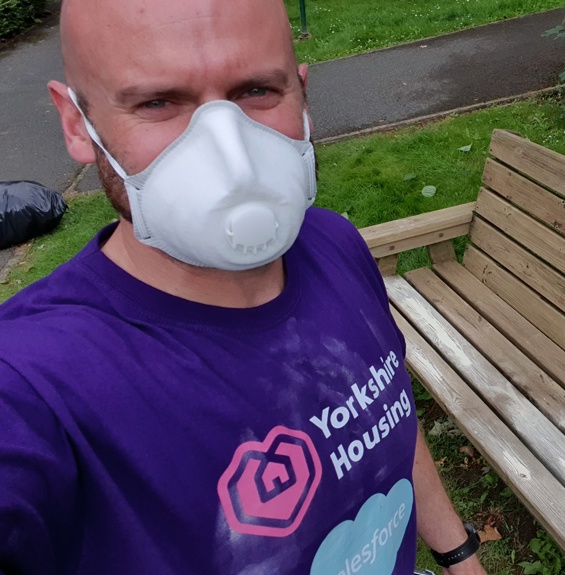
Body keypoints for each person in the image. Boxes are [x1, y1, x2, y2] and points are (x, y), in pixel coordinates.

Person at [0, 1, 487, 573]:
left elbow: (387, 414)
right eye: (158, 102)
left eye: (257, 91)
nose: (229, 152)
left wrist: (459, 554)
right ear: (77, 124)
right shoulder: (30, 384)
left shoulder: (333, 246)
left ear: (302, 97)